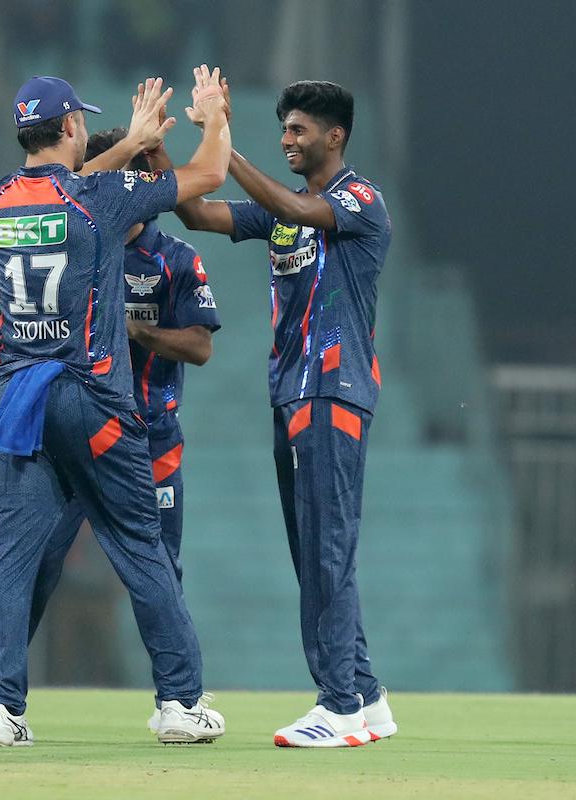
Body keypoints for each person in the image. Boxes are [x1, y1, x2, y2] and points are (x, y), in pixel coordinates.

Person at [0, 67, 231, 747]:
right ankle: (179, 704)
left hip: (15, 397)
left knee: (12, 557)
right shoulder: (100, 200)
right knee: (141, 548)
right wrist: (213, 119)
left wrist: (124, 145)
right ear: (69, 128)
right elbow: (205, 177)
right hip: (90, 397)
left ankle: (1, 708)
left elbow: (62, 187)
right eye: (80, 121)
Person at [160, 79, 398, 747]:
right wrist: (155, 155)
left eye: (297, 130)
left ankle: (339, 705)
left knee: (326, 550)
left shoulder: (359, 199)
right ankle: (368, 695)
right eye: (283, 130)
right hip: (291, 392)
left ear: (335, 137)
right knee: (311, 550)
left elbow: (292, 202)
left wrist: (223, 143)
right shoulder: (284, 213)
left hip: (334, 389)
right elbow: (199, 216)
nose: (288, 139)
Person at [23, 126, 222, 733]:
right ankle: (1, 690)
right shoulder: (79, 242)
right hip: (77, 430)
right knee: (36, 562)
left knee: (160, 567)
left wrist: (134, 332)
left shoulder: (176, 260)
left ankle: (177, 698)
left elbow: (199, 346)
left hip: (150, 435)